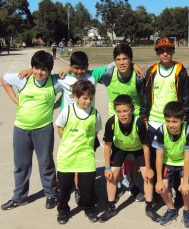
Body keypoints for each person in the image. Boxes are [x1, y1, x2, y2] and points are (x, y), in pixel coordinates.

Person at [1, 50, 61, 211]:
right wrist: (15, 99)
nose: (39, 72)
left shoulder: (54, 82)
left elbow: (73, 85)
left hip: (43, 130)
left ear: (49, 70)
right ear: (32, 67)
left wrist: (58, 104)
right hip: (21, 129)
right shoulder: (24, 79)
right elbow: (4, 79)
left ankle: (51, 194)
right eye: (36, 68)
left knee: (46, 163)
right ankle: (19, 197)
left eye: (44, 69)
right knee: (21, 165)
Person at [140, 36, 189, 208]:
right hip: (155, 120)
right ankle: (160, 191)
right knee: (160, 159)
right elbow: (145, 95)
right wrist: (145, 117)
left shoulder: (180, 71)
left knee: (175, 159)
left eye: (168, 49)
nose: (165, 53)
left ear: (173, 51)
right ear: (157, 52)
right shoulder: (152, 71)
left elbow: (187, 97)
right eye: (161, 50)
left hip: (174, 121)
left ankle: (180, 193)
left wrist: (185, 119)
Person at [99, 94, 161, 223]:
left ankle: (149, 207)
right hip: (120, 148)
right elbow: (107, 146)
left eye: (125, 111)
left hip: (138, 149)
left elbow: (146, 148)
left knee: (148, 176)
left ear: (132, 110)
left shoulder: (139, 123)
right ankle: (111, 207)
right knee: (111, 175)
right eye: (119, 111)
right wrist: (107, 168)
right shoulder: (111, 122)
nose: (122, 114)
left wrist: (149, 168)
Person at [100, 44, 145, 200]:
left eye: (125, 59)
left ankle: (132, 184)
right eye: (118, 59)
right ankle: (117, 183)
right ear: (114, 61)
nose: (122, 62)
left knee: (134, 157)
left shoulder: (138, 78)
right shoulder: (107, 76)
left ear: (131, 60)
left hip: (134, 122)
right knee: (116, 156)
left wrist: (143, 119)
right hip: (116, 122)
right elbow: (85, 73)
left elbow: (145, 100)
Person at [55, 80, 102, 224]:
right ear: (76, 96)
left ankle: (89, 208)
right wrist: (68, 142)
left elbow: (95, 132)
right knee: (64, 188)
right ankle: (63, 210)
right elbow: (59, 127)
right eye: (85, 98)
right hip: (67, 156)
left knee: (88, 188)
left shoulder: (95, 114)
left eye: (91, 98)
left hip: (86, 157)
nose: (88, 101)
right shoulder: (67, 110)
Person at [153, 101, 189, 227]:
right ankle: (171, 209)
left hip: (183, 162)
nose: (171, 125)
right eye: (168, 121)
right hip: (168, 162)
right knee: (162, 187)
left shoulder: (188, 131)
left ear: (182, 120)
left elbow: (188, 158)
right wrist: (159, 180)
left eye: (174, 121)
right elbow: (159, 157)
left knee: (186, 188)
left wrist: (185, 181)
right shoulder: (161, 130)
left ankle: (187, 210)